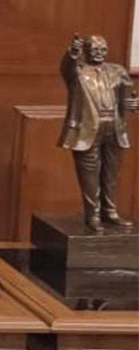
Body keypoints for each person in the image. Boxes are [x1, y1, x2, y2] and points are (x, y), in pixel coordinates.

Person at [59, 34, 136, 231]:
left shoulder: (117, 71)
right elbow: (67, 66)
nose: (99, 53)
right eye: (94, 49)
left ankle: (110, 212)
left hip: (114, 127)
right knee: (90, 176)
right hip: (87, 130)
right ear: (85, 51)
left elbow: (128, 98)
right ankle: (92, 214)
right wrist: (73, 52)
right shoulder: (77, 71)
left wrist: (133, 104)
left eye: (103, 49)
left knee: (111, 173)